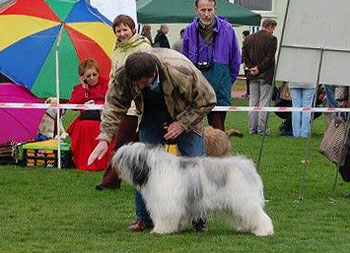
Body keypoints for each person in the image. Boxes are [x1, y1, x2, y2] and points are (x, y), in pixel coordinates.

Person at [88, 49, 217, 232]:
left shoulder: (179, 71)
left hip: (187, 114)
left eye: (144, 82)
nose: (140, 87)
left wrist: (182, 124)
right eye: (136, 84)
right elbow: (114, 105)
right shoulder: (125, 74)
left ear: (154, 73)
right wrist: (104, 138)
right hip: (150, 115)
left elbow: (208, 99)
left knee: (195, 166)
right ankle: (144, 218)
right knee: (144, 168)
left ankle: (198, 219)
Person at [95, 15, 152, 190]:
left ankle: (113, 180)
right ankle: (112, 180)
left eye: (125, 29)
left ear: (133, 29)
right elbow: (114, 73)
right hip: (122, 100)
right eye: (118, 30)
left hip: (138, 103)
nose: (122, 33)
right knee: (122, 142)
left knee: (130, 143)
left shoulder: (143, 47)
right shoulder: (116, 48)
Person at [182, 0, 241, 131]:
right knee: (193, 131)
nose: (206, 14)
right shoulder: (190, 30)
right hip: (196, 91)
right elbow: (184, 62)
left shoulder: (227, 29)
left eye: (210, 10)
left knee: (218, 131)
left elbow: (235, 61)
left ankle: (219, 152)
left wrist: (224, 81)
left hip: (219, 91)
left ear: (215, 8)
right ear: (196, 10)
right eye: (203, 10)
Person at [67, 58, 112, 171]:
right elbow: (72, 104)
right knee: (83, 127)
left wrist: (98, 104)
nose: (92, 78)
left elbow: (112, 100)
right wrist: (83, 89)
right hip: (86, 119)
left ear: (98, 72)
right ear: (83, 77)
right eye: (88, 76)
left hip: (104, 118)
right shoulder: (80, 88)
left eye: (94, 74)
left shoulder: (107, 84)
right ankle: (84, 162)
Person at [242, 19, 278, 135]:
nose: (273, 31)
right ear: (270, 26)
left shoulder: (248, 39)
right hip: (266, 75)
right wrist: (259, 69)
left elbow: (244, 56)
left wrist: (252, 68)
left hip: (252, 75)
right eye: (273, 28)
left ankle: (252, 129)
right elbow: (269, 58)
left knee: (253, 102)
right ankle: (262, 129)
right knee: (264, 103)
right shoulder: (272, 39)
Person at [241, 30, 250, 98]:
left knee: (248, 80)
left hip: (248, 65)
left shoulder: (246, 43)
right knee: (248, 80)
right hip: (247, 64)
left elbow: (244, 54)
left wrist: (243, 61)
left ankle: (248, 93)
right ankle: (248, 92)